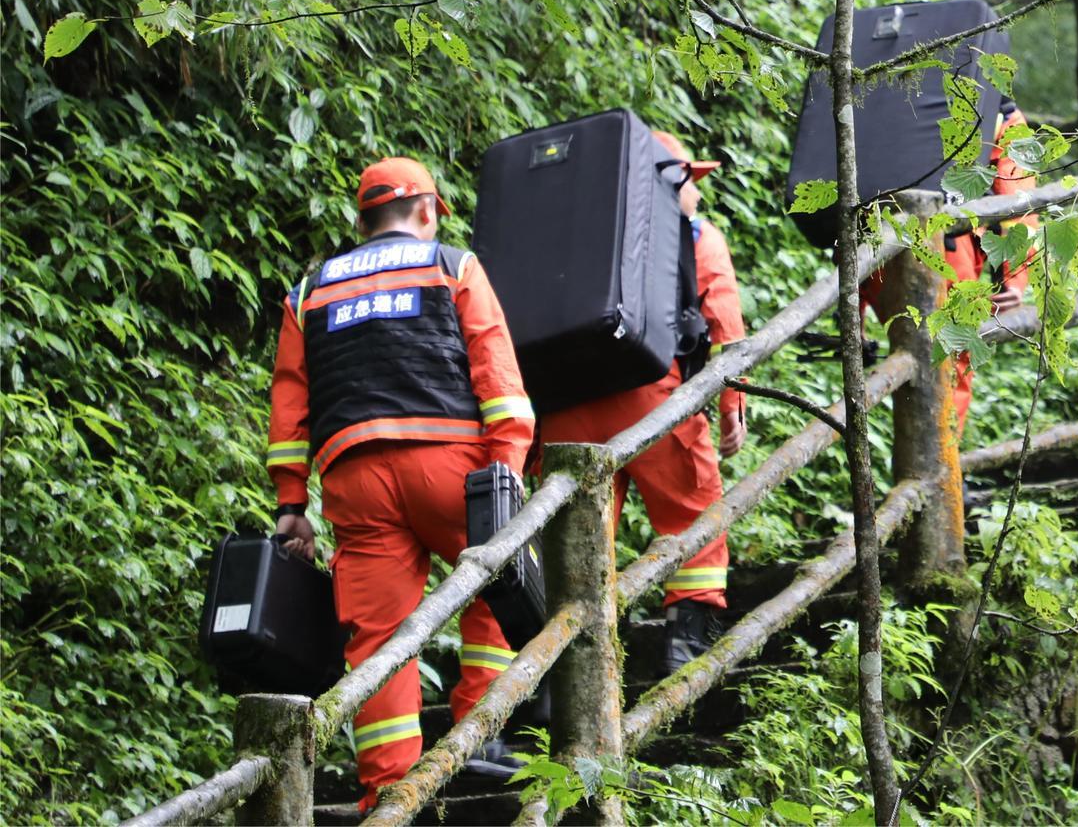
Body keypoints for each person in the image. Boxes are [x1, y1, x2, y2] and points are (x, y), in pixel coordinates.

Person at [264, 157, 536, 807]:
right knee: (498, 586)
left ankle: (389, 793)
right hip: (451, 464)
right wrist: (507, 465)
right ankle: (479, 737)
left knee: (379, 640)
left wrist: (291, 501)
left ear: (362, 222)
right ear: (427, 210)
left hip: (353, 477)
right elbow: (496, 371)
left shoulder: (310, 291)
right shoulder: (452, 266)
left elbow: (290, 401)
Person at [539, 129, 746, 675]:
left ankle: (562, 675)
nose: (697, 193)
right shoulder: (696, 235)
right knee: (693, 511)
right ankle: (687, 643)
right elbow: (724, 325)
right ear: (669, 181)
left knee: (578, 537)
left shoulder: (571, 233)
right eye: (691, 181)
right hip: (653, 395)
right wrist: (732, 405)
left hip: (566, 403)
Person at [863, 100, 1037, 432]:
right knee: (951, 360)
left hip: (873, 251)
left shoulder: (878, 87)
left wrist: (854, 310)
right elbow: (1017, 199)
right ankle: (942, 457)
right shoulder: (996, 107)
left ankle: (925, 455)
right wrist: (1014, 279)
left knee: (916, 354)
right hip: (949, 255)